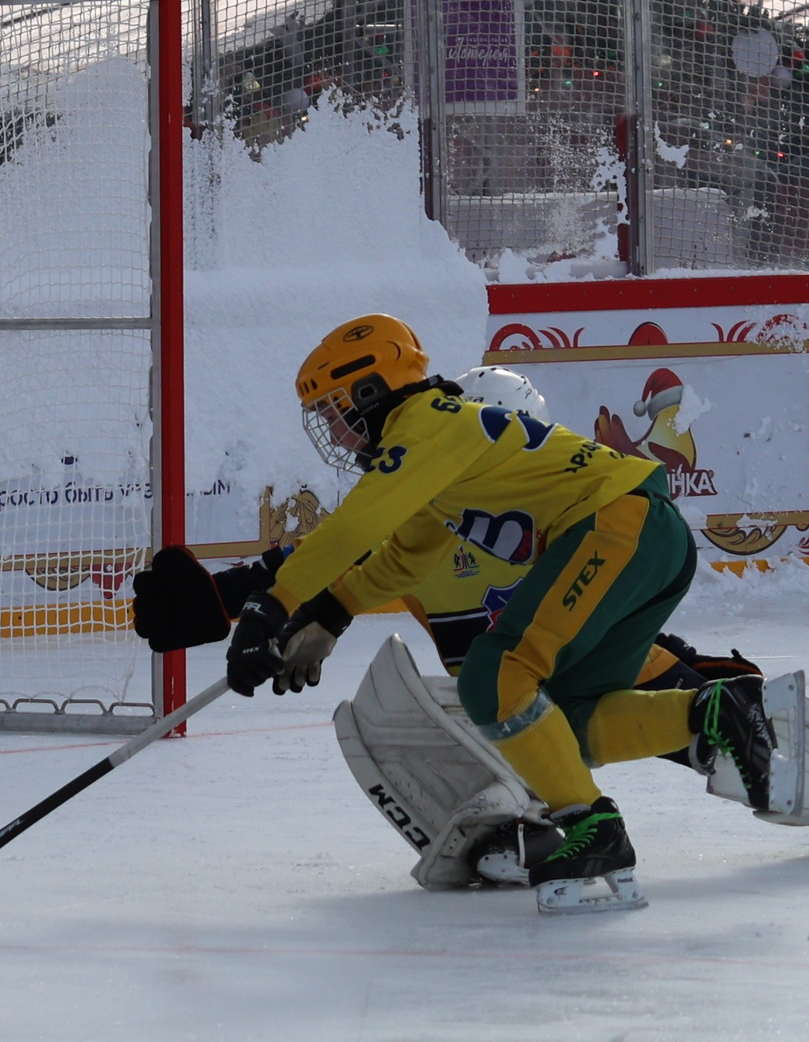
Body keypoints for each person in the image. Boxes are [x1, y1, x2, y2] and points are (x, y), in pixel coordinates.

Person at [218, 315, 774, 912]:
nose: (331, 429)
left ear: (370, 389)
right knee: (563, 718)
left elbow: (356, 527)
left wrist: (267, 608)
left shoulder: (424, 426)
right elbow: (407, 554)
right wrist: (331, 613)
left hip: (619, 525)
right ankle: (718, 710)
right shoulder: (439, 448)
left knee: (495, 675)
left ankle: (595, 829)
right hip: (645, 533)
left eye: (333, 410)